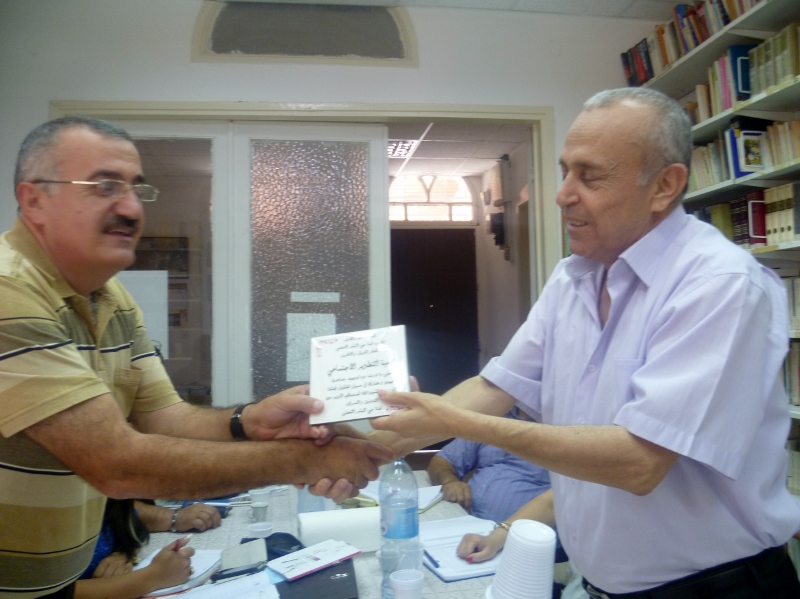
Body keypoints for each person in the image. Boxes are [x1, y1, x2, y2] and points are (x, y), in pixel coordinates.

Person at [372, 87, 800, 598]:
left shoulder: (719, 284)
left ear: (664, 186)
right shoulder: (572, 278)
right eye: (565, 171)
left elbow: (638, 461)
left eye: (590, 176)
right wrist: (374, 444)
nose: (563, 194)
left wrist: (454, 422)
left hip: (717, 590)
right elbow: (498, 386)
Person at [0, 116, 393, 598]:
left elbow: (165, 417)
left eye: (136, 189)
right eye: (105, 186)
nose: (130, 208)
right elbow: (116, 463)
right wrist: (299, 460)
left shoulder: (111, 298)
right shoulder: (8, 291)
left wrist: (251, 421)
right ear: (34, 200)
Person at [427, 408, 551, 522]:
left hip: (517, 534)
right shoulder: (494, 417)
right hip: (462, 521)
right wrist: (449, 481)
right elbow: (442, 460)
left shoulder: (556, 432)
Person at [75, 499, 197, 599]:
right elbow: (64, 592)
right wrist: (155, 576)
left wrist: (122, 552)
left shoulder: (109, 495)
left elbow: (132, 527)